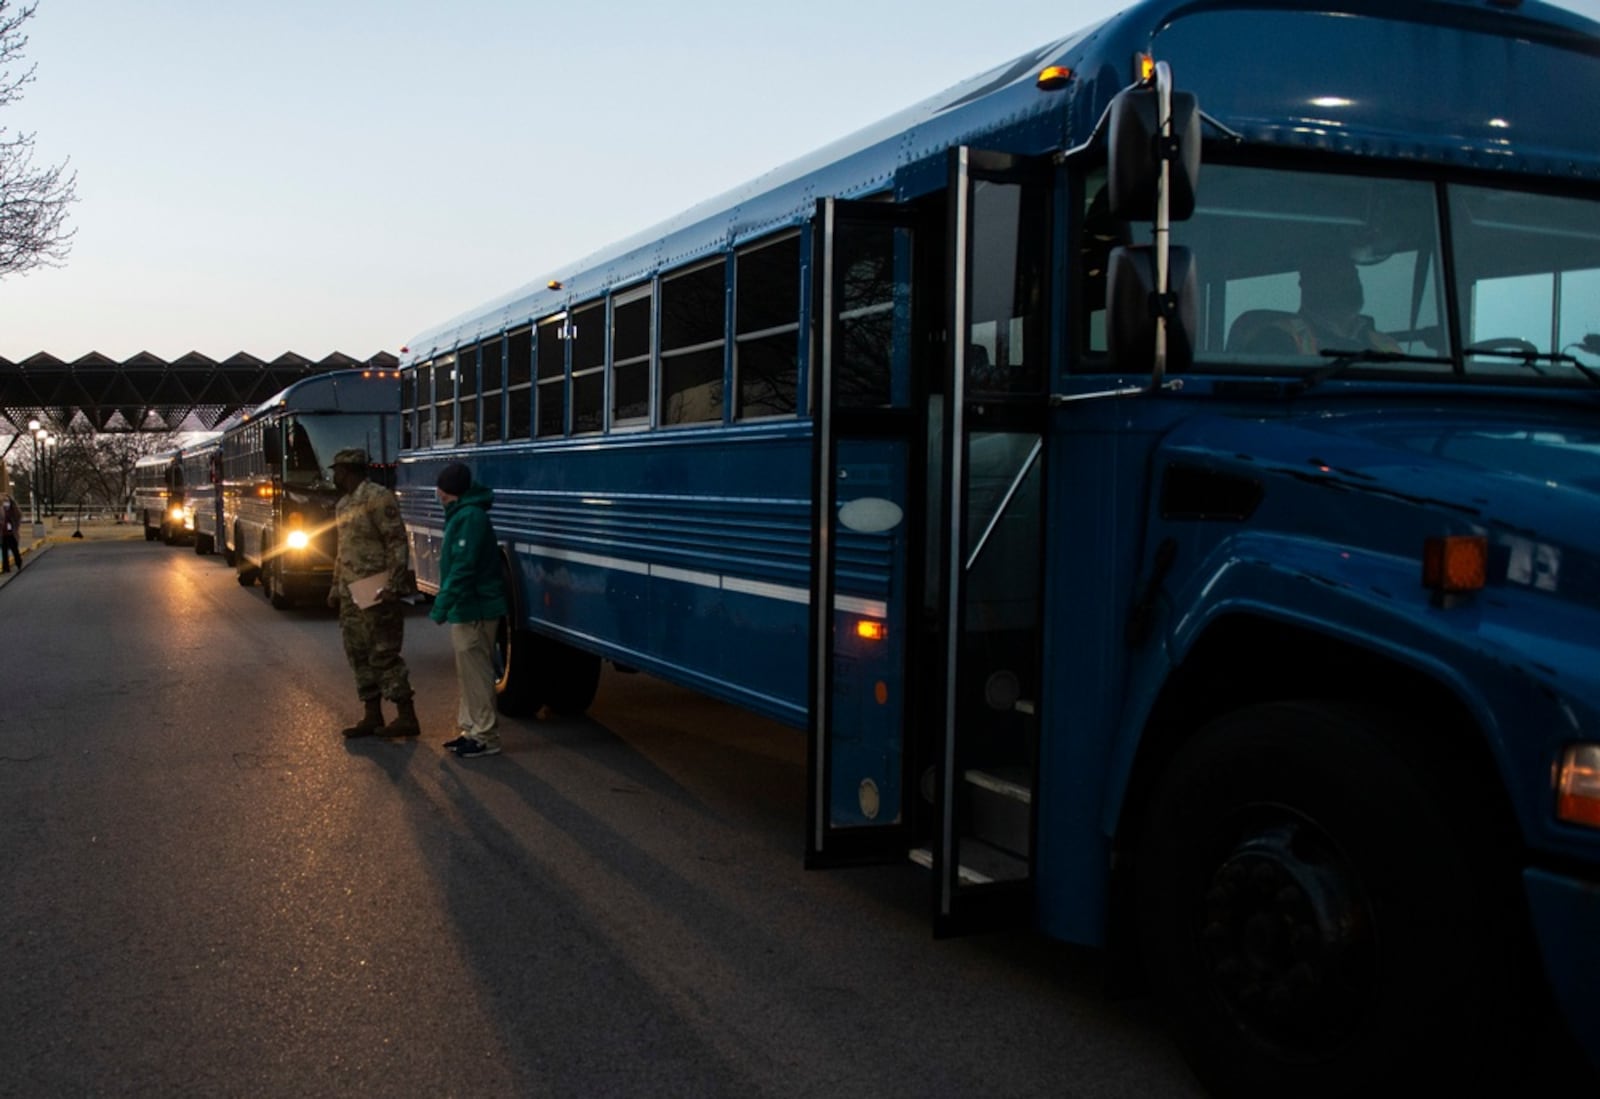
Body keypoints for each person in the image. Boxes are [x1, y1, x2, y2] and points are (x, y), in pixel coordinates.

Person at [327, 448, 420, 739]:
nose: (334, 475)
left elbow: (396, 542)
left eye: (337, 470)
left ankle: (406, 715)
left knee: (384, 653)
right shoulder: (343, 505)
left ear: (349, 470)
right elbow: (343, 551)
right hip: (352, 592)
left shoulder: (378, 498)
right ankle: (372, 713)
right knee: (358, 653)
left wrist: (393, 584)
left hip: (376, 589)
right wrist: (335, 586)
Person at [430, 462, 510, 759]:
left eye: (443, 494)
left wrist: (441, 605)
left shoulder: (469, 518)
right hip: (470, 606)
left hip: (475, 608)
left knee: (476, 673)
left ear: (450, 492)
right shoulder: (464, 515)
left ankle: (485, 735)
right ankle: (471, 729)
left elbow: (463, 567)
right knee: (470, 673)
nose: (439, 498)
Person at [1234, 255, 1401, 356]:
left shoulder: (1385, 344)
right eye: (1335, 273)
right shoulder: (1276, 338)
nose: (1349, 280)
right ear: (1307, 283)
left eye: (1352, 272)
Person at [1, 496, 23, 573]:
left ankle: (18, 562)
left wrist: (15, 525)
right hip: (4, 534)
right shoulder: (2, 510)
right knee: (4, 551)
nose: (5, 503)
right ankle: (5, 567)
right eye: (4, 501)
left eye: (6, 501)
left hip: (11, 533)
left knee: (14, 549)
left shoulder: (14, 510)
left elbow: (18, 517)